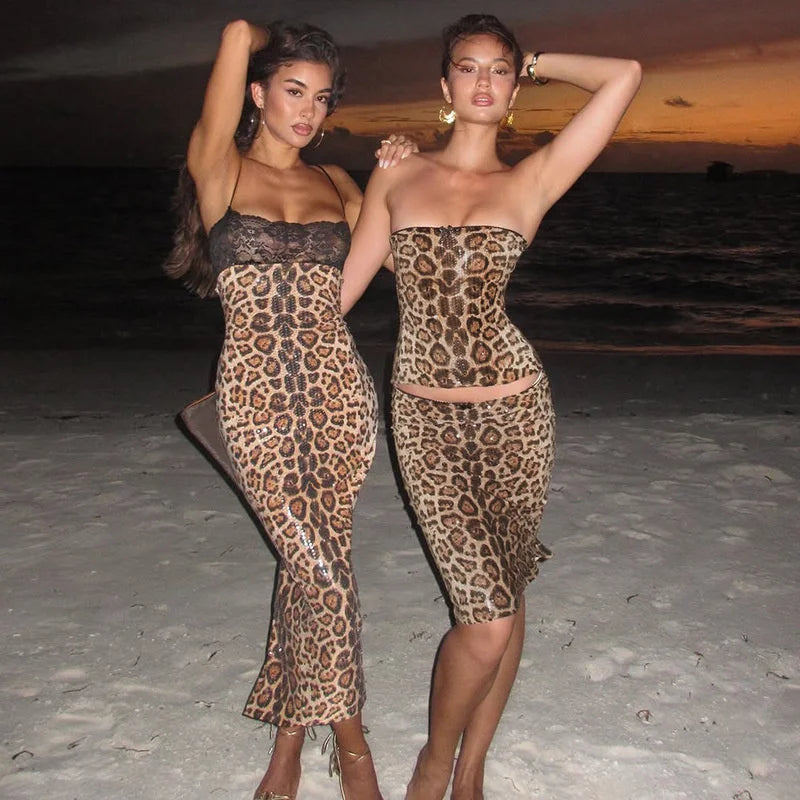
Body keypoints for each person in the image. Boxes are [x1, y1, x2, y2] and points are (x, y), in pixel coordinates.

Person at [341, 14, 641, 800]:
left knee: (505, 592)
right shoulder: (397, 174)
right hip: (423, 421)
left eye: (498, 69)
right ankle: (433, 764)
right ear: (444, 86)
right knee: (489, 617)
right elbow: (341, 292)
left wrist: (535, 58)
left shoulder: (532, 179)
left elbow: (624, 77)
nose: (483, 81)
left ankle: (470, 768)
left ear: (513, 89)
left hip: (517, 415)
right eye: (467, 67)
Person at [164, 19, 413, 800]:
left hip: (339, 394)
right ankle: (355, 747)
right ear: (258, 93)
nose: (308, 110)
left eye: (322, 97)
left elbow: (384, 265)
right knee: (323, 571)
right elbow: (238, 31)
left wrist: (395, 178)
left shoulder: (337, 184)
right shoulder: (219, 167)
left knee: (310, 566)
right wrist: (264, 36)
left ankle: (287, 744)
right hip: (256, 396)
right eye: (294, 90)